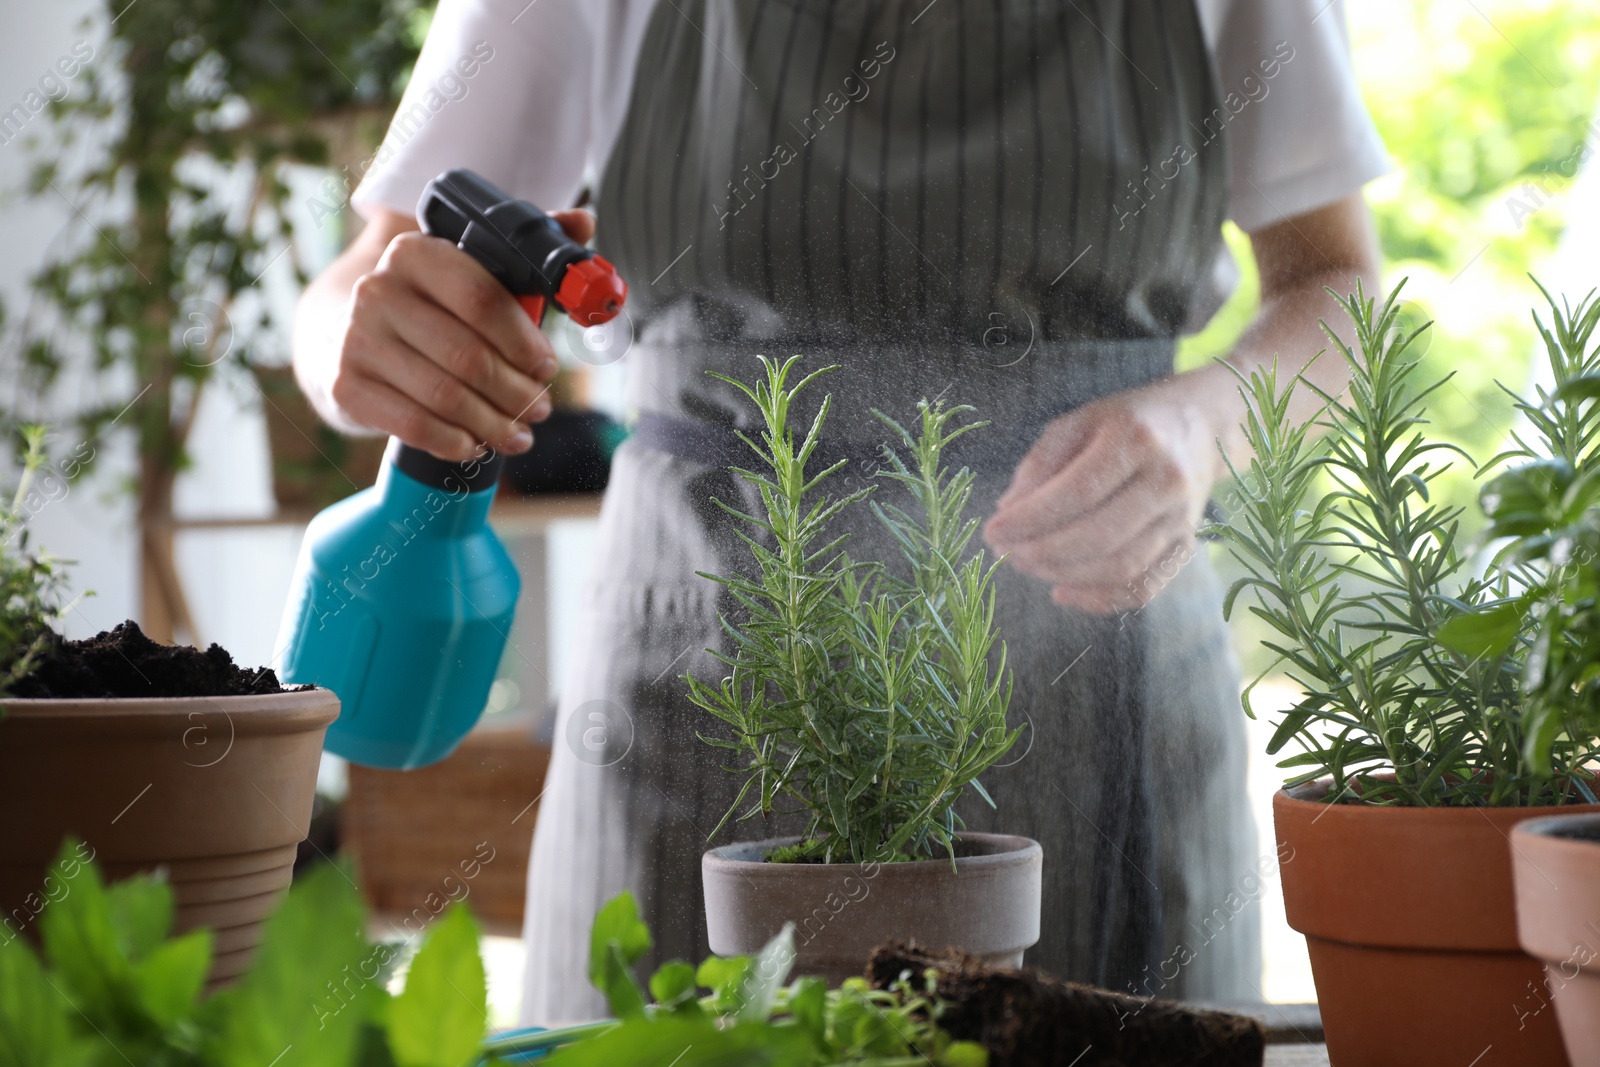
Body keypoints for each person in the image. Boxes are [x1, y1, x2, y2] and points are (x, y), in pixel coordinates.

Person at [294, 0, 1387, 1021]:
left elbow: (1336, 282)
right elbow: (368, 271)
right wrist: (357, 335)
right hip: (697, 674)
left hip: (1103, 655)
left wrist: (1206, 425)